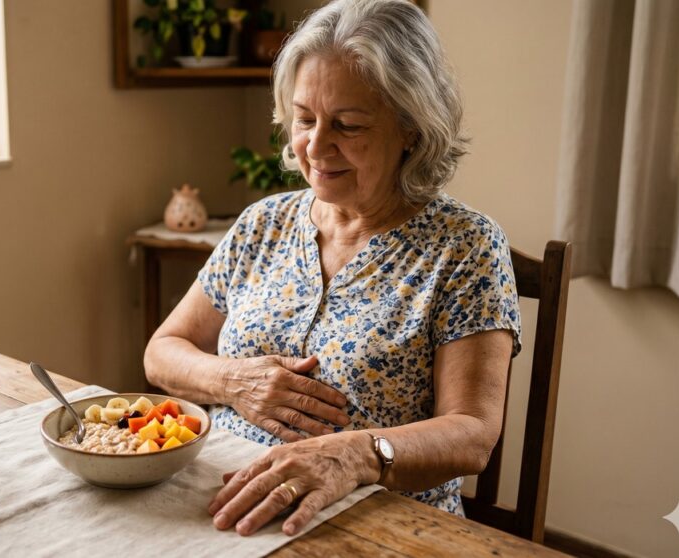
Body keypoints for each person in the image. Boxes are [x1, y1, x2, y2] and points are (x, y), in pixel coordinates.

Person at [144, 0, 521, 537]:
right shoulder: (264, 223)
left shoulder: (464, 246)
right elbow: (162, 351)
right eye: (304, 119)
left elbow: (473, 434)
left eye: (348, 124)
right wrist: (235, 381)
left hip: (378, 524)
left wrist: (353, 455)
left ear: (412, 128)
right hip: (221, 503)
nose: (316, 146)